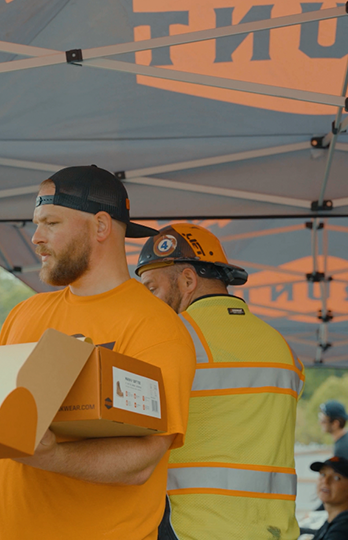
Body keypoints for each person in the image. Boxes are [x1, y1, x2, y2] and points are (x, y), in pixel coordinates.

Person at [0, 165, 197, 540]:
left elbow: (142, 460)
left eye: (51, 223)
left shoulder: (155, 327)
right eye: (36, 224)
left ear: (101, 227)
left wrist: (49, 455)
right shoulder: (25, 314)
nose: (36, 238)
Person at [135, 223, 304, 540]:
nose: (148, 305)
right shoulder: (282, 347)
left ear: (188, 280)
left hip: (192, 529)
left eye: (152, 290)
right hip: (274, 531)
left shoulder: (173, 339)